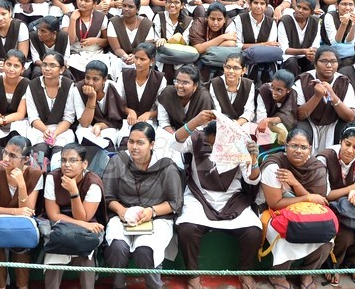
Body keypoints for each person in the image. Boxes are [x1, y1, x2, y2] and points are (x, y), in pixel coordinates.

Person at [175, 110, 262, 289]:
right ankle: (193, 274)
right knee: (187, 229)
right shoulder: (197, 138)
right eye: (211, 144)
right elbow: (175, 143)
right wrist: (195, 121)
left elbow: (251, 179)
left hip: (232, 198)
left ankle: (245, 272)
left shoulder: (240, 142)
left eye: (219, 145)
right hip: (199, 197)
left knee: (253, 231)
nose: (215, 150)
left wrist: (253, 159)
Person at [102, 122, 183, 289]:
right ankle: (118, 285)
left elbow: (175, 203)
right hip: (122, 216)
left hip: (157, 217)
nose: (134, 147)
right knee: (117, 247)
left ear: (151, 144)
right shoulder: (118, 161)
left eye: (140, 143)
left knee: (145, 250)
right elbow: (108, 196)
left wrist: (151, 211)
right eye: (131, 142)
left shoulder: (166, 166)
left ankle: (155, 286)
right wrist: (122, 210)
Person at [259, 128, 333, 289]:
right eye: (294, 146)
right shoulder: (274, 165)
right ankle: (277, 275)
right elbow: (275, 203)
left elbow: (318, 203)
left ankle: (307, 273)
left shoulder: (317, 167)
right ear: (286, 146)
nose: (298, 151)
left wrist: (294, 183)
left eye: (304, 147)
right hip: (274, 211)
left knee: (327, 238)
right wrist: (306, 197)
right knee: (288, 233)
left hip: (308, 213)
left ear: (311, 148)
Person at [317, 122, 355, 286]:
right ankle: (333, 264)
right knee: (345, 235)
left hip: (351, 205)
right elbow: (325, 194)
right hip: (328, 205)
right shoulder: (325, 157)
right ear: (341, 141)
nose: (350, 151)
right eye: (347, 144)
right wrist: (354, 188)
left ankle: (352, 263)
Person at [43, 143, 106, 289]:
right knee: (56, 250)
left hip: (87, 226)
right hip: (59, 224)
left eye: (72, 160)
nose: (67, 165)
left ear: (84, 164)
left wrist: (74, 192)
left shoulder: (93, 183)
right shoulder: (53, 178)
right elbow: (53, 214)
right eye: (63, 160)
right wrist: (84, 225)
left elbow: (84, 217)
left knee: (86, 257)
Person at [0, 135, 43, 289]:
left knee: (21, 246)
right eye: (5, 152)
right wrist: (15, 211)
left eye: (13, 156)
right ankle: (1, 286)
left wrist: (22, 186)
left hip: (22, 226)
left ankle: (23, 287)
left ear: (26, 160)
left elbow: (29, 211)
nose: (6, 158)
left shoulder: (35, 175)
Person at [292, 46, 355, 152]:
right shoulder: (303, 80)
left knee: (348, 129)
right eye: (324, 61)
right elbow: (299, 115)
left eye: (333, 61)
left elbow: (349, 117)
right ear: (315, 63)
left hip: (333, 124)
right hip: (310, 122)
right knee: (299, 129)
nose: (329, 65)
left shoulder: (344, 82)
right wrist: (317, 96)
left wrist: (332, 94)